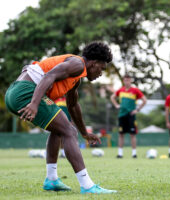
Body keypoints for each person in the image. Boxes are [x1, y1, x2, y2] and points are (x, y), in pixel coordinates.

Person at [5, 41, 117, 194]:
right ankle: (87, 186)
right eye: (101, 68)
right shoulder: (77, 64)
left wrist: (84, 132)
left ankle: (51, 180)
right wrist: (34, 104)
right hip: (25, 92)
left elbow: (73, 105)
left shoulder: (76, 76)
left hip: (14, 92)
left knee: (60, 130)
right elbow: (49, 76)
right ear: (94, 63)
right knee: (69, 131)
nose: (101, 73)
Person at [110, 74, 147, 158]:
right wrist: (116, 105)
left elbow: (144, 100)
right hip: (122, 115)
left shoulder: (135, 90)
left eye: (128, 80)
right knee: (121, 134)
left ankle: (134, 154)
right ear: (123, 81)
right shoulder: (121, 90)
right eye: (125, 80)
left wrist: (137, 110)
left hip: (131, 115)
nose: (127, 81)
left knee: (132, 134)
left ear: (130, 80)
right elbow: (112, 97)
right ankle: (120, 154)